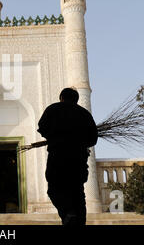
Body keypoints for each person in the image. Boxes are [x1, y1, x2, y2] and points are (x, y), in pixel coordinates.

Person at [37, 88, 98, 226]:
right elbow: (93, 139)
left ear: (61, 97)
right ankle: (77, 219)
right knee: (77, 193)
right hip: (78, 161)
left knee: (54, 189)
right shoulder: (84, 113)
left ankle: (68, 213)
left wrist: (54, 137)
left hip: (58, 158)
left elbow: (42, 127)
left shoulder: (53, 109)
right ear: (76, 99)